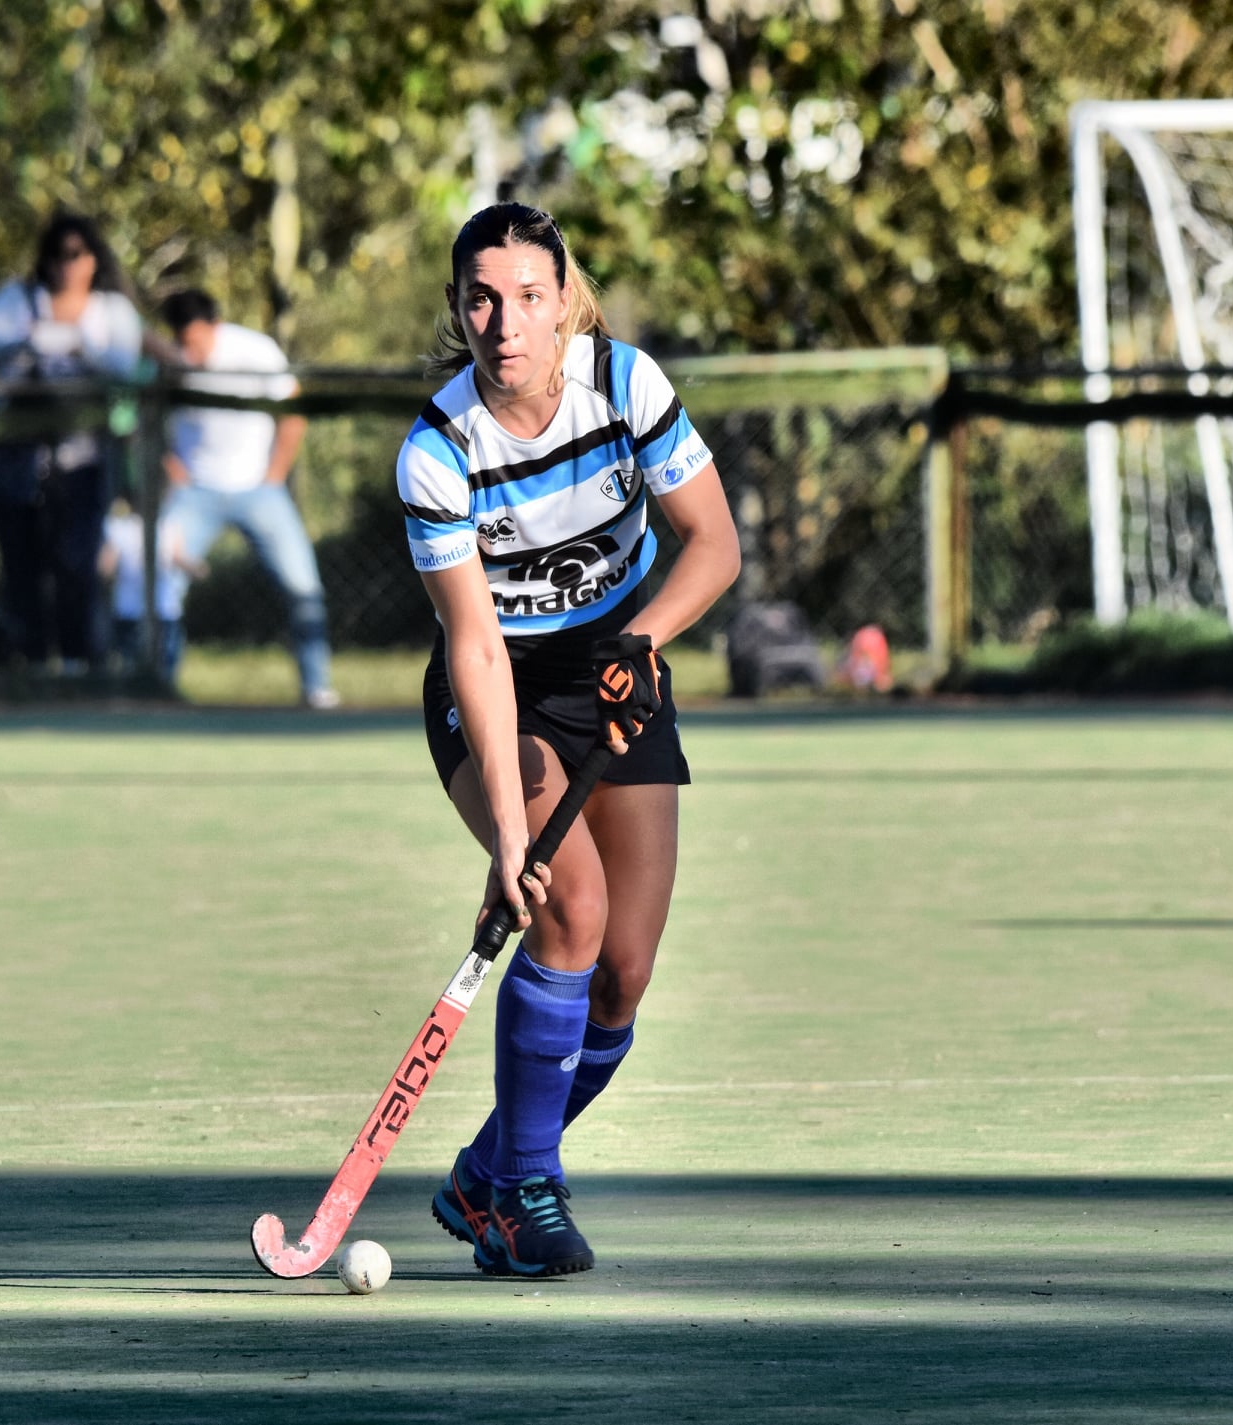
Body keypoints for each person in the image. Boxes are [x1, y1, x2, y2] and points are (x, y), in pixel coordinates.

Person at [395, 202, 740, 1277]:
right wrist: (508, 833)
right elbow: (477, 651)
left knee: (622, 975)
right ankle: (527, 1197)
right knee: (569, 907)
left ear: (563, 305)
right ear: (461, 310)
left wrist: (638, 641)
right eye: (482, 299)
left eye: (528, 298)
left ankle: (485, 1175)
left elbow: (713, 545)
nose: (504, 322)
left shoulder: (624, 384)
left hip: (617, 665)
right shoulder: (436, 452)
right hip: (499, 686)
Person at [0, 212, 143, 669]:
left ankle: (80, 662)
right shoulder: (21, 300)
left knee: (77, 562)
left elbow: (125, 367)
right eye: (57, 255)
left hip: (85, 457)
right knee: (22, 564)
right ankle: (29, 662)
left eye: (77, 254)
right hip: (18, 459)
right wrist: (33, 341)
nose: (67, 265)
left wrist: (82, 347)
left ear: (93, 259)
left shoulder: (111, 309)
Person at [159, 289, 340, 710]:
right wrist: (170, 465)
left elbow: (293, 411)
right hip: (194, 492)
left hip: (258, 489)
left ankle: (317, 687)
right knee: (160, 583)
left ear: (216, 327)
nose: (192, 352)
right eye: (183, 343)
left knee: (303, 585)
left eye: (198, 342)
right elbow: (139, 422)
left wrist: (274, 475)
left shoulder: (255, 352)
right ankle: (157, 685)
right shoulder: (167, 361)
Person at [99, 496, 192, 682]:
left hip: (158, 609)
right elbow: (106, 567)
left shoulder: (168, 527)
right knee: (154, 661)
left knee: (140, 660)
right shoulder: (121, 528)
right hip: (138, 611)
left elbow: (105, 568)